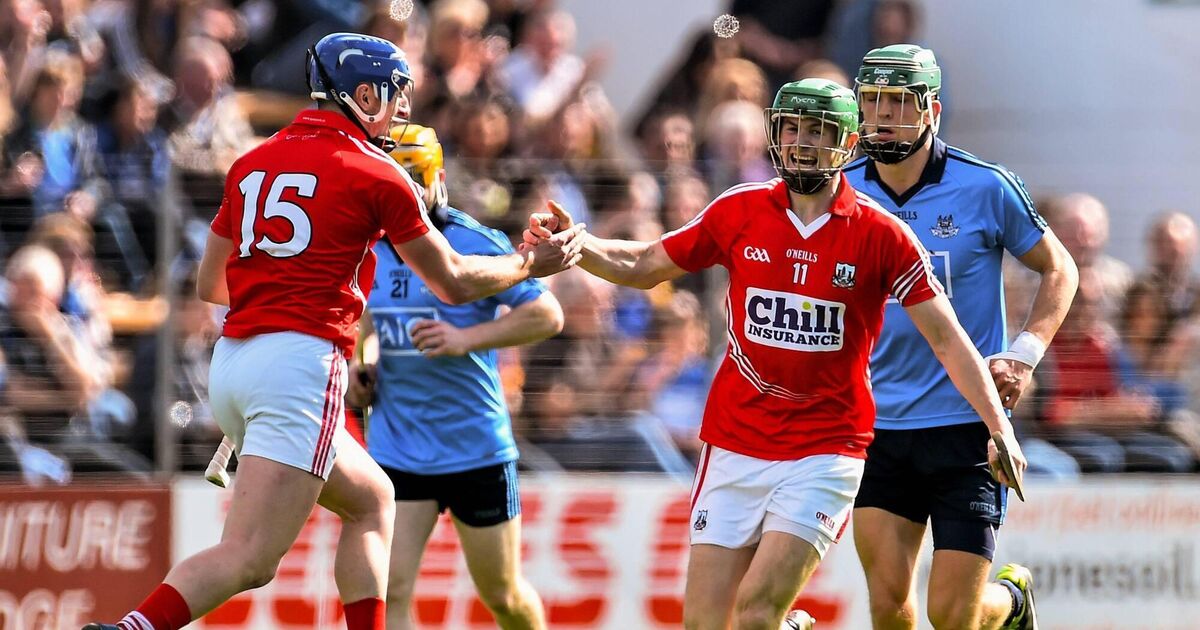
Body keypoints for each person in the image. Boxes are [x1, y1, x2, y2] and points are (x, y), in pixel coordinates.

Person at [83, 32, 583, 630]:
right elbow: (452, 281)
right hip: (300, 368)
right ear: (362, 94)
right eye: (394, 94)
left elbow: (212, 284)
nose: (401, 109)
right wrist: (530, 264)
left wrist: (289, 291)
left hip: (234, 362)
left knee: (372, 498)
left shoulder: (252, 160)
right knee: (249, 558)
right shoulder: (377, 172)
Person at [525, 78, 1027, 630]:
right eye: (790, 129)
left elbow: (948, 339)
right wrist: (579, 244)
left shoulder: (883, 235)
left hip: (825, 449)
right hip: (735, 440)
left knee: (757, 611)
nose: (800, 143)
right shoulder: (739, 209)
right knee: (704, 625)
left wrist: (998, 426)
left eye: (817, 131)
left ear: (847, 142)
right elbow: (645, 263)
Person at [843, 44, 1078, 630]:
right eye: (872, 101)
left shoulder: (985, 186)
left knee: (953, 617)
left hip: (967, 424)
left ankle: (1012, 601)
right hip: (875, 426)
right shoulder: (839, 192)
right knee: (889, 608)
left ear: (932, 111)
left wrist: (1024, 355)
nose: (884, 115)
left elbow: (1060, 268)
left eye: (900, 101)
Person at [346, 123, 555, 629]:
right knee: (391, 590)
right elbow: (367, 318)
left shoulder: (472, 241)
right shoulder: (370, 246)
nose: (403, 194)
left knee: (503, 595)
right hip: (399, 446)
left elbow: (547, 315)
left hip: (474, 448)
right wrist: (362, 363)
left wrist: (465, 339)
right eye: (392, 180)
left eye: (414, 180)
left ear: (438, 178)